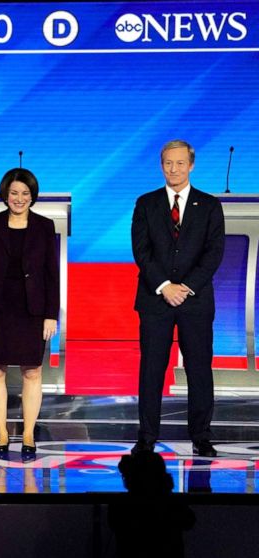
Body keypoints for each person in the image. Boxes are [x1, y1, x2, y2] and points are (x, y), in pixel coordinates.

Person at [131, 139, 224, 457]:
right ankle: (147, 436)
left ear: (191, 165)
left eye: (180, 163)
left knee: (199, 368)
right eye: (168, 163)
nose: (174, 169)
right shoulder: (146, 203)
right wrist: (164, 286)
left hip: (194, 300)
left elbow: (214, 253)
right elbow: (141, 252)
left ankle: (201, 436)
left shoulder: (209, 205)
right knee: (152, 368)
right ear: (161, 165)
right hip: (155, 299)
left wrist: (186, 287)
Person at [0, 168, 59, 457]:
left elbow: (52, 274)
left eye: (25, 193)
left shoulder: (45, 227)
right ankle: (1, 434)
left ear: (32, 196)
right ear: (5, 195)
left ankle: (28, 433)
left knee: (32, 371)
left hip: (31, 308)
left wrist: (51, 314)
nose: (19, 198)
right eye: (14, 193)